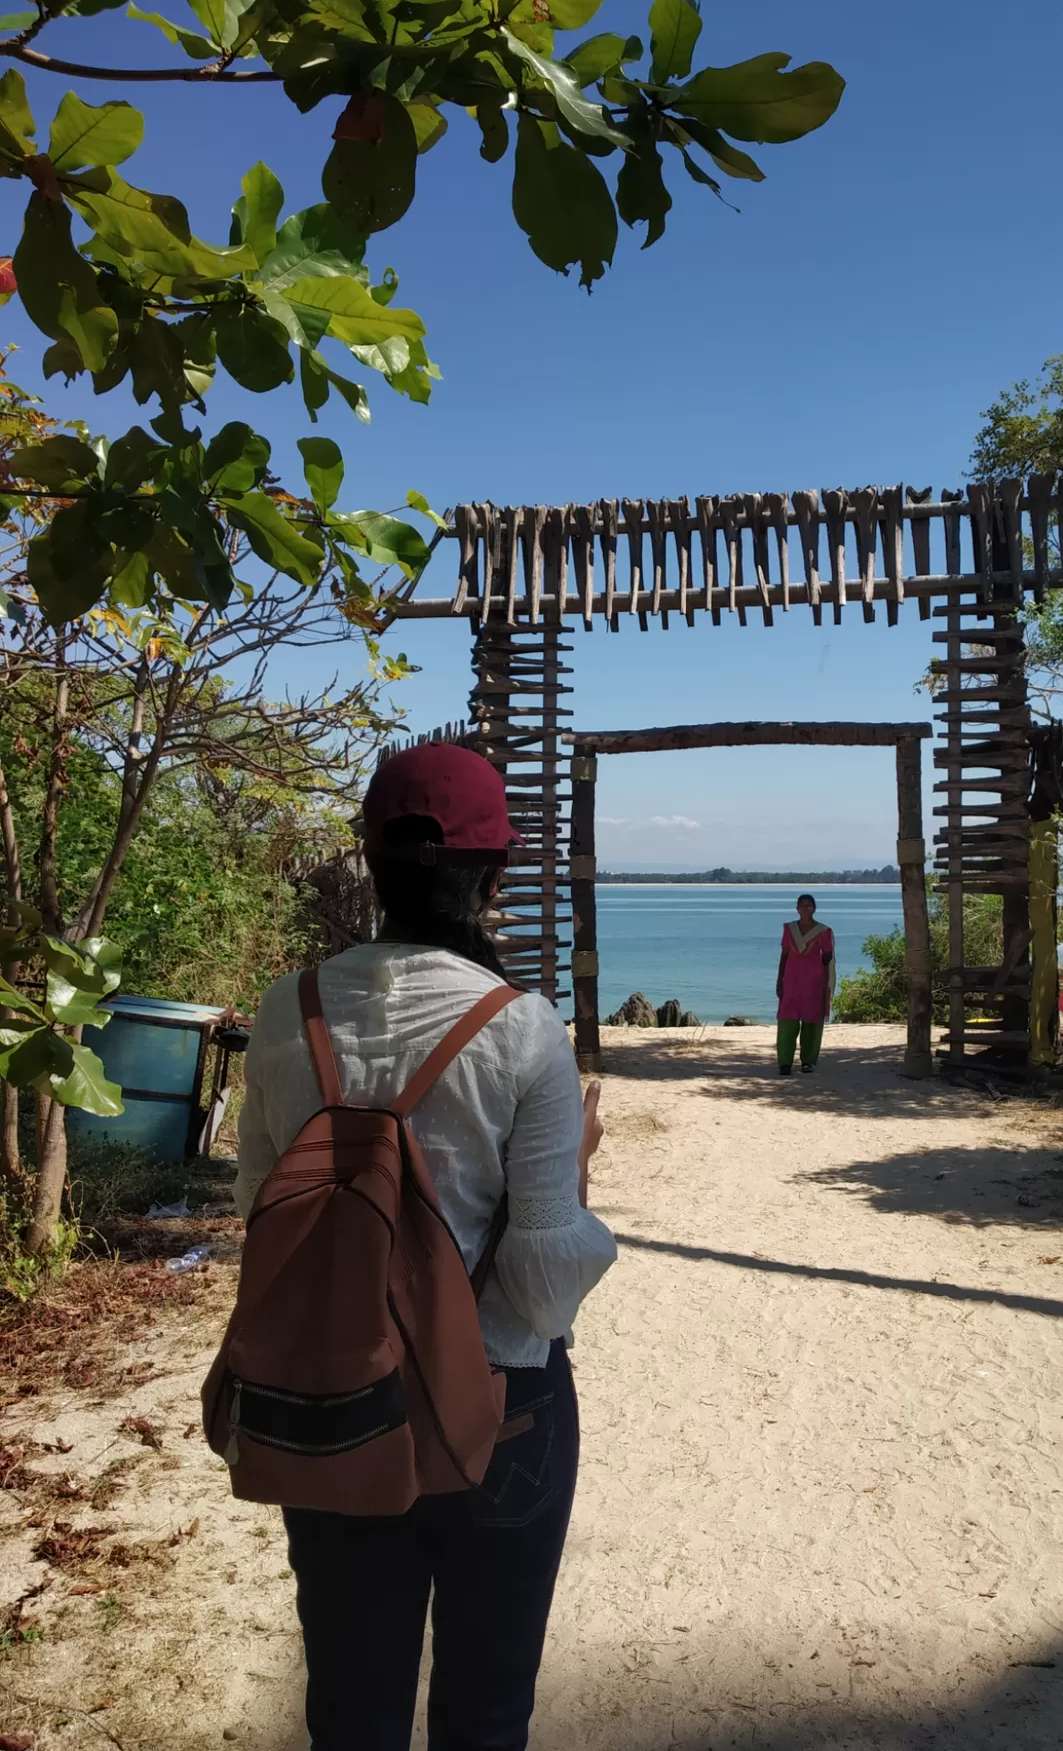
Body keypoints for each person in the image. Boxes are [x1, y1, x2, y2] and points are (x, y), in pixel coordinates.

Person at [233, 742, 617, 1751]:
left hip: (330, 1395)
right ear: (496, 874)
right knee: (486, 1713)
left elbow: (258, 1213)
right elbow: (541, 1287)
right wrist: (577, 1178)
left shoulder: (289, 1011)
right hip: (500, 1409)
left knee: (351, 1712)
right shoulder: (522, 1029)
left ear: (372, 862)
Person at [775, 892, 834, 1075]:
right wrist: (779, 979)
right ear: (797, 908)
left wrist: (820, 975)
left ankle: (807, 1061)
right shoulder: (789, 929)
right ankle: (784, 1062)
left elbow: (827, 956)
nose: (805, 908)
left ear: (814, 908)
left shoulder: (824, 932)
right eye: (802, 905)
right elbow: (784, 955)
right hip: (791, 981)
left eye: (809, 905)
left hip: (814, 983)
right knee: (787, 1021)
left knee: (811, 1022)